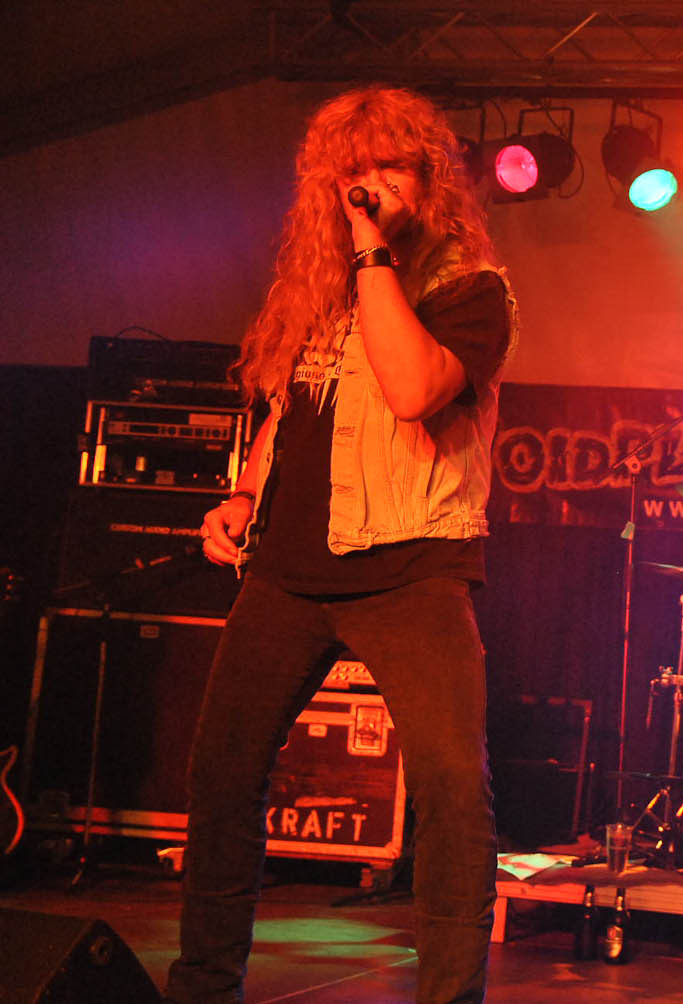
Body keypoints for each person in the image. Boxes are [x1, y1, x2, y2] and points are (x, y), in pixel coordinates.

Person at [166, 86, 515, 1004]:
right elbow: (291, 410)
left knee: (451, 787)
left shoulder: (469, 289)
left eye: (389, 167)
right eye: (351, 171)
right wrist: (244, 494)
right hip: (287, 572)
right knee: (222, 773)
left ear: (427, 179)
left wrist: (372, 256)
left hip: (411, 566)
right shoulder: (319, 289)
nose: (369, 186)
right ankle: (202, 987)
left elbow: (411, 391)